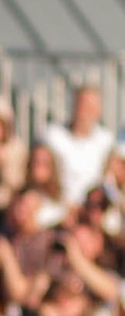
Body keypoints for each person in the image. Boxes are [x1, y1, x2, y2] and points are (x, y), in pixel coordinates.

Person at [41, 85, 118, 217]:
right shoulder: (52, 136)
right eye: (82, 105)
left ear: (99, 110)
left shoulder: (107, 141)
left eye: (91, 107)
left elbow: (110, 179)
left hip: (95, 210)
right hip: (58, 206)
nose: (85, 112)